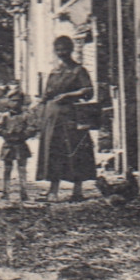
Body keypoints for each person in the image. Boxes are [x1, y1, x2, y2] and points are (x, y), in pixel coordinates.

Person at [35, 35, 97, 202]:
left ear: (71, 50)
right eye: (58, 50)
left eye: (65, 50)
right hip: (52, 117)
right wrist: (38, 106)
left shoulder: (78, 70)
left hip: (71, 116)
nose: (62, 53)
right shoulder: (54, 71)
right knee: (53, 151)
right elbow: (47, 94)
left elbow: (88, 91)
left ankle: (77, 191)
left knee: (75, 150)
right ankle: (53, 191)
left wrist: (67, 95)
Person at [0, 87, 34, 203]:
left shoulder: (26, 116)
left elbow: (32, 128)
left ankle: (23, 192)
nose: (15, 103)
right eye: (13, 100)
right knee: (7, 169)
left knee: (22, 169)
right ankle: (6, 191)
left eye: (18, 101)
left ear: (22, 102)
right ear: (8, 102)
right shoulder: (5, 116)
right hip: (8, 145)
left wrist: (23, 135)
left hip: (20, 144)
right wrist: (5, 134)